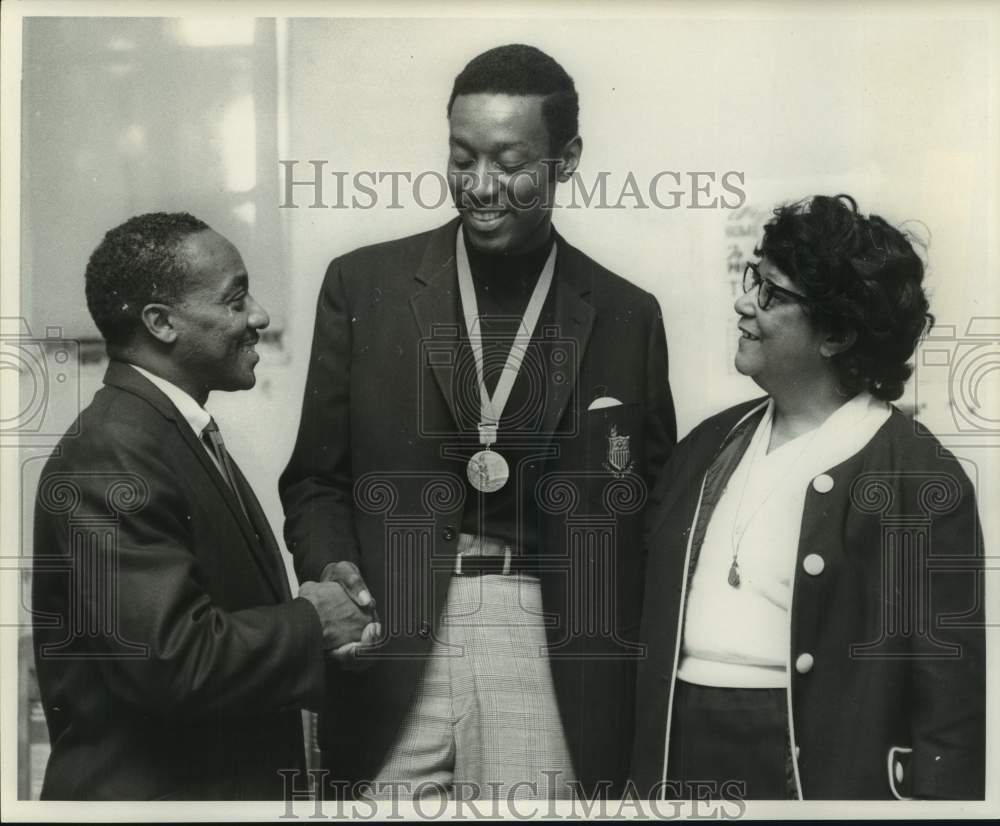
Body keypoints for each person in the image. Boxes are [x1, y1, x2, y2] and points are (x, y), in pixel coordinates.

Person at [280, 44, 676, 799]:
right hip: (391, 631)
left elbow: (650, 511)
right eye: (461, 159)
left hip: (551, 641)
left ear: (567, 159)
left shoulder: (629, 314)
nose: (481, 186)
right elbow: (315, 478)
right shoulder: (361, 286)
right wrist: (335, 571)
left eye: (509, 161)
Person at [631, 195, 985, 800]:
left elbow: (948, 705)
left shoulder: (920, 479)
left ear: (838, 334)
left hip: (802, 773)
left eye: (772, 292)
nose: (744, 303)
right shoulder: (707, 446)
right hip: (680, 753)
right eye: (753, 280)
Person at [31, 212, 377, 800]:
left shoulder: (165, 433)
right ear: (161, 323)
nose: (259, 317)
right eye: (235, 299)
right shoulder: (113, 448)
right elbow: (173, 661)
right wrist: (313, 623)